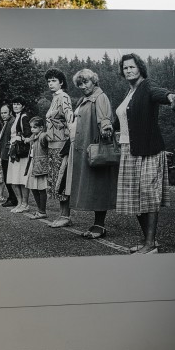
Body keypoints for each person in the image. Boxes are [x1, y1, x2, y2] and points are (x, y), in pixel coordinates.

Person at [114, 53, 175, 254]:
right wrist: (111, 126)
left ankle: (150, 244)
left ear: (140, 68)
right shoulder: (129, 92)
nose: (129, 70)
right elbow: (126, 117)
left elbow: (160, 93)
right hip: (127, 150)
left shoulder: (147, 86)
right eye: (125, 68)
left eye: (132, 67)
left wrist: (171, 97)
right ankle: (151, 241)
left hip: (148, 151)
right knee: (134, 199)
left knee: (148, 197)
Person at [54, 69, 118, 232]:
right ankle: (97, 224)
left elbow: (105, 119)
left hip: (93, 148)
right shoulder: (85, 99)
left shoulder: (100, 97)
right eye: (80, 84)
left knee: (98, 184)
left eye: (86, 82)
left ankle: (99, 225)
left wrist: (106, 127)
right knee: (92, 185)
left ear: (94, 81)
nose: (83, 86)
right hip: (82, 148)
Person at [43, 69, 74, 223]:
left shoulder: (63, 97)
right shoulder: (54, 99)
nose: (50, 83)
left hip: (62, 144)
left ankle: (66, 216)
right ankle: (62, 215)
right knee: (56, 180)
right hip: (52, 144)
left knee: (62, 179)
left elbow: (70, 119)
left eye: (54, 80)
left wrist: (70, 141)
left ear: (61, 82)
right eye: (49, 81)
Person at [7, 98, 32, 212]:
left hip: (21, 152)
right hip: (13, 151)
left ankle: (25, 204)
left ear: (23, 106)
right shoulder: (16, 117)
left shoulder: (24, 117)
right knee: (14, 179)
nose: (16, 106)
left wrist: (19, 138)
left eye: (18, 104)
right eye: (14, 104)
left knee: (22, 179)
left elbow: (28, 135)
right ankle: (20, 203)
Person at [26, 117, 50, 220]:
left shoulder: (43, 136)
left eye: (35, 127)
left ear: (41, 127)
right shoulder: (34, 136)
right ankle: (40, 209)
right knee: (33, 187)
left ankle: (42, 211)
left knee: (41, 188)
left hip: (40, 164)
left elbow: (48, 139)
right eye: (31, 127)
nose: (32, 129)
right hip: (33, 163)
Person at [0, 105, 19, 207]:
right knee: (6, 177)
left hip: (8, 153)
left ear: (10, 112)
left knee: (8, 177)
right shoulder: (5, 123)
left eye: (5, 113)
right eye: (1, 113)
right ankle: (11, 197)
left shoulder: (12, 122)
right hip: (3, 153)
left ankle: (14, 198)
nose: (3, 115)